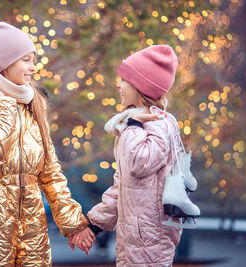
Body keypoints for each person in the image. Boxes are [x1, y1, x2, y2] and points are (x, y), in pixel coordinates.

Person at [0, 22, 94, 267]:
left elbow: (50, 172)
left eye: (33, 60)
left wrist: (74, 225)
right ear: (4, 64)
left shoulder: (34, 105)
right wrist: (2, 104)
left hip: (33, 224)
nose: (33, 67)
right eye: (25, 60)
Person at [71, 45, 184, 266]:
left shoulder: (158, 125)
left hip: (151, 241)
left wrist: (132, 126)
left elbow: (138, 163)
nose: (118, 85)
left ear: (140, 87)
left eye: (123, 79)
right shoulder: (139, 124)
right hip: (136, 238)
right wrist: (93, 224)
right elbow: (123, 186)